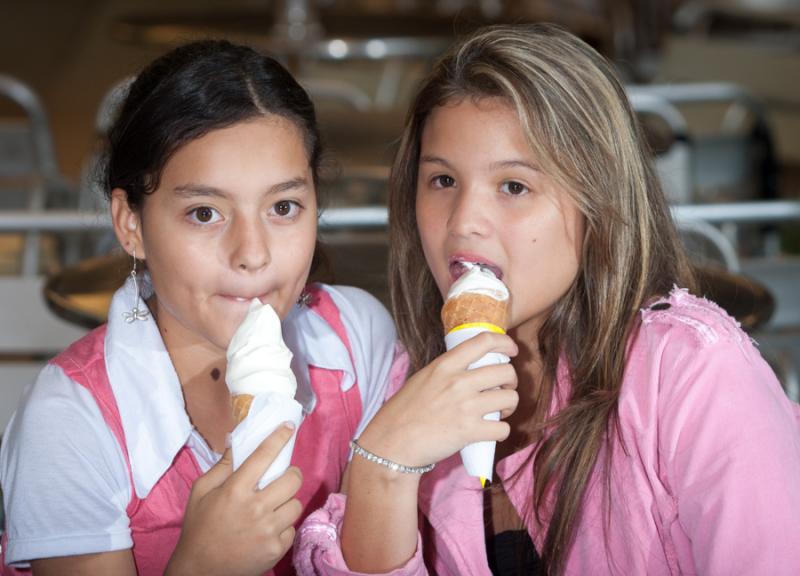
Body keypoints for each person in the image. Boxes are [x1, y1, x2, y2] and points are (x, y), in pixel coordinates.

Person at [295, 23, 800, 575]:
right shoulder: (405, 387)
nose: (463, 223)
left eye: (514, 186)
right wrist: (381, 470)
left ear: (598, 203)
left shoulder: (691, 374)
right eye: (442, 181)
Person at [0, 39, 403, 575]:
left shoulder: (356, 341)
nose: (252, 254)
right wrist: (200, 565)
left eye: (283, 207)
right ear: (130, 224)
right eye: (205, 213)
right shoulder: (71, 422)